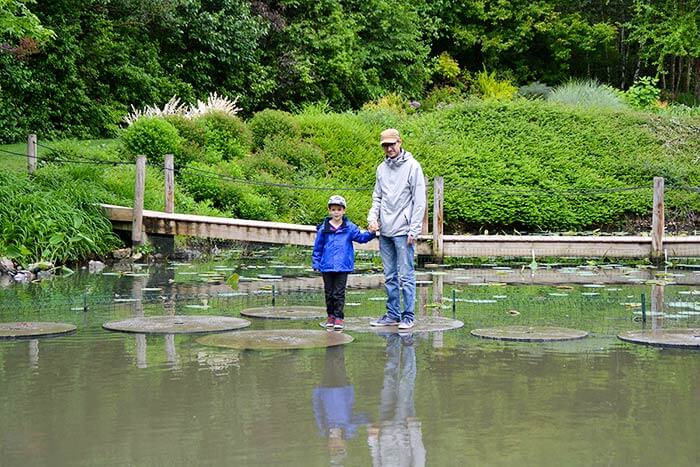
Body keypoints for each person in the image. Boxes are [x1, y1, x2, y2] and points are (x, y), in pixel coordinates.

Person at [367, 128, 426, 330]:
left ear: (400, 142)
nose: (389, 148)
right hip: (385, 231)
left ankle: (408, 316)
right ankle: (392, 314)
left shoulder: (413, 167)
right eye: (385, 145)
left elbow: (419, 201)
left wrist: (414, 230)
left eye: (392, 144)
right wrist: (372, 218)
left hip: (404, 230)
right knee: (390, 275)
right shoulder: (381, 169)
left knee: (406, 275)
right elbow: (377, 197)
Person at [312, 195, 376, 330]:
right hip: (327, 266)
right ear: (329, 211)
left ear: (344, 211)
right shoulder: (323, 228)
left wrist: (371, 233)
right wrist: (316, 262)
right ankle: (330, 316)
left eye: (339, 209)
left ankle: (339, 317)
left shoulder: (350, 227)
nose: (336, 212)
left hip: (343, 265)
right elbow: (318, 246)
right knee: (329, 293)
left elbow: (361, 238)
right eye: (333, 209)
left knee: (339, 293)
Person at [367, 333, 425, 466]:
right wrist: (415, 429)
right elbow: (419, 454)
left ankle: (392, 340)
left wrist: (372, 439)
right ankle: (408, 344)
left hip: (385, 427)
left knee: (388, 377)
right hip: (403, 427)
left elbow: (376, 462)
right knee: (406, 383)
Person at [312, 345, 369, 465]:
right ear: (344, 445)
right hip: (343, 389)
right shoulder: (349, 430)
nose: (335, 444)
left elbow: (317, 410)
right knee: (337, 362)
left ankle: (332, 338)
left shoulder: (323, 430)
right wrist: (370, 421)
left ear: (328, 447)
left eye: (334, 448)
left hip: (326, 390)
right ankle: (337, 338)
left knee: (329, 362)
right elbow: (359, 417)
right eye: (339, 448)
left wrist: (316, 392)